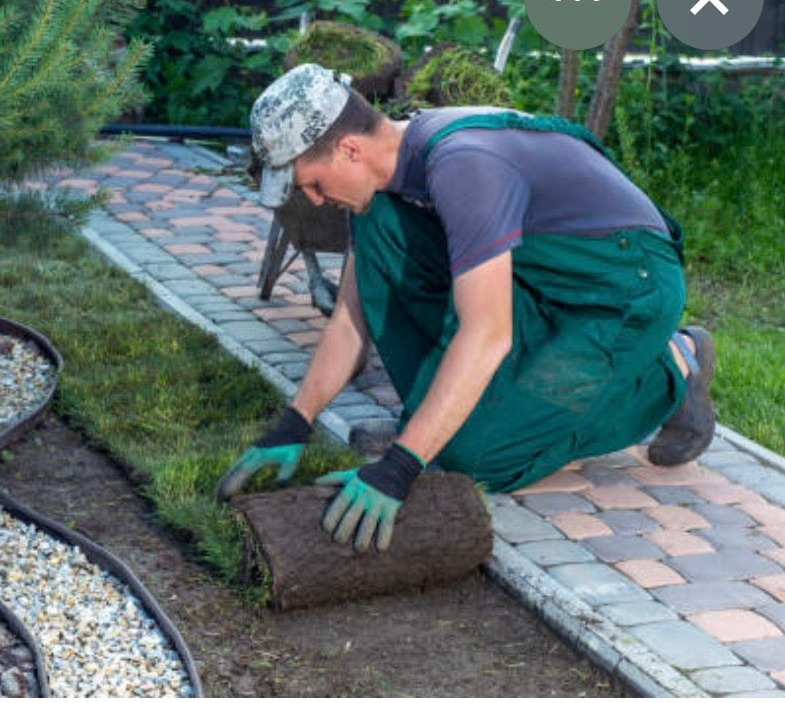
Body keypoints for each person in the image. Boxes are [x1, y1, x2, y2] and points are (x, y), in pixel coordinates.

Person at [217, 63, 716, 554]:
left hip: (622, 291)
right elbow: (352, 317)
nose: (316, 200)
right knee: (381, 226)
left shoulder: (463, 165)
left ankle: (672, 369)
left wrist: (401, 465)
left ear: (348, 149)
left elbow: (486, 334)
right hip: (543, 278)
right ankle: (448, 413)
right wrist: (295, 421)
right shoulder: (391, 177)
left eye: (312, 183)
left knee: (475, 457)